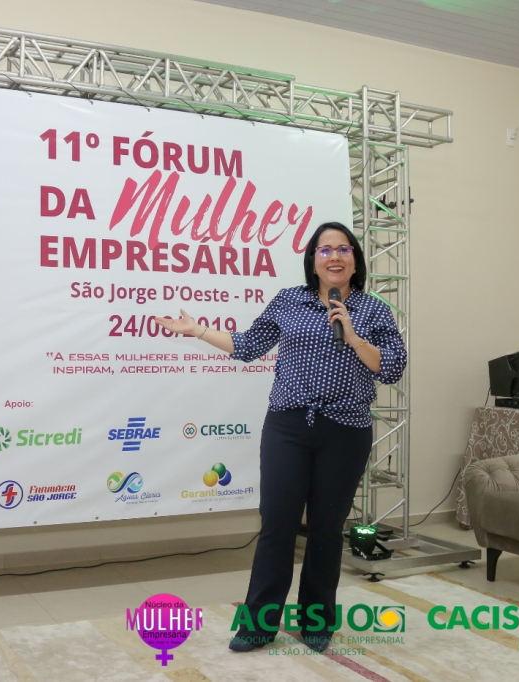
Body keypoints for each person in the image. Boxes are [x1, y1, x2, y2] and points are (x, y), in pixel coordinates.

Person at [155, 221, 407, 652]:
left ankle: (316, 622)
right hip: (288, 427)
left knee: (327, 530)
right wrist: (198, 331)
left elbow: (392, 368)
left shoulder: (373, 310)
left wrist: (351, 335)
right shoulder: (289, 300)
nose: (334, 256)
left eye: (343, 249)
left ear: (355, 260)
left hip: (346, 431)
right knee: (277, 524)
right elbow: (249, 345)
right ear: (313, 260)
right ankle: (258, 624)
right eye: (325, 250)